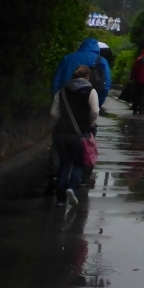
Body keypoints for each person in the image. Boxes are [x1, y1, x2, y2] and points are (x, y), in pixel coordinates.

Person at [51, 65, 98, 206]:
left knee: (64, 164)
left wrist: (59, 124)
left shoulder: (62, 90)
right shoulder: (91, 91)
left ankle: (60, 200)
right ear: (88, 77)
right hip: (81, 134)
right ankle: (72, 188)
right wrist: (90, 123)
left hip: (62, 133)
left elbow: (54, 113)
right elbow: (95, 111)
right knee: (79, 164)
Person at [52, 37, 112, 108]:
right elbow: (106, 85)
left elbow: (56, 81)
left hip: (66, 99)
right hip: (88, 101)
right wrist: (97, 104)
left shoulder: (67, 58)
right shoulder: (101, 61)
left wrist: (57, 101)